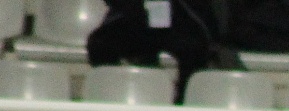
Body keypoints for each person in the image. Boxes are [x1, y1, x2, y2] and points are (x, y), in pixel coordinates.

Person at [87, 0, 223, 103]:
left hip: (181, 15)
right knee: (100, 44)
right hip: (135, 12)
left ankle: (184, 106)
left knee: (195, 49)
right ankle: (111, 98)